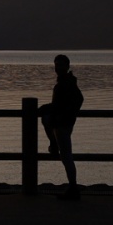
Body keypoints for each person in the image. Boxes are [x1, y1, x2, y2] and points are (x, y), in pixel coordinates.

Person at [39, 55, 84, 201]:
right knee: (66, 155)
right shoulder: (67, 82)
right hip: (62, 122)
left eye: (61, 65)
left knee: (66, 156)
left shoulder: (67, 83)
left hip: (63, 123)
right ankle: (73, 187)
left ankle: (73, 187)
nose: (58, 68)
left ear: (67, 66)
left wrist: (67, 114)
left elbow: (74, 101)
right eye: (56, 65)